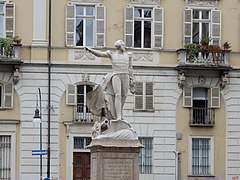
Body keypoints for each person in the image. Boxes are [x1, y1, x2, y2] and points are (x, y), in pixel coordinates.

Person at [85, 40, 135, 121]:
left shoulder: (128, 56)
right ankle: (118, 116)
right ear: (119, 46)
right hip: (116, 75)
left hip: (126, 75)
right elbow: (100, 54)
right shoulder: (112, 54)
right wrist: (90, 50)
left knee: (124, 96)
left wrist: (132, 79)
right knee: (118, 95)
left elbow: (130, 68)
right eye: (123, 45)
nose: (124, 47)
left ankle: (119, 112)